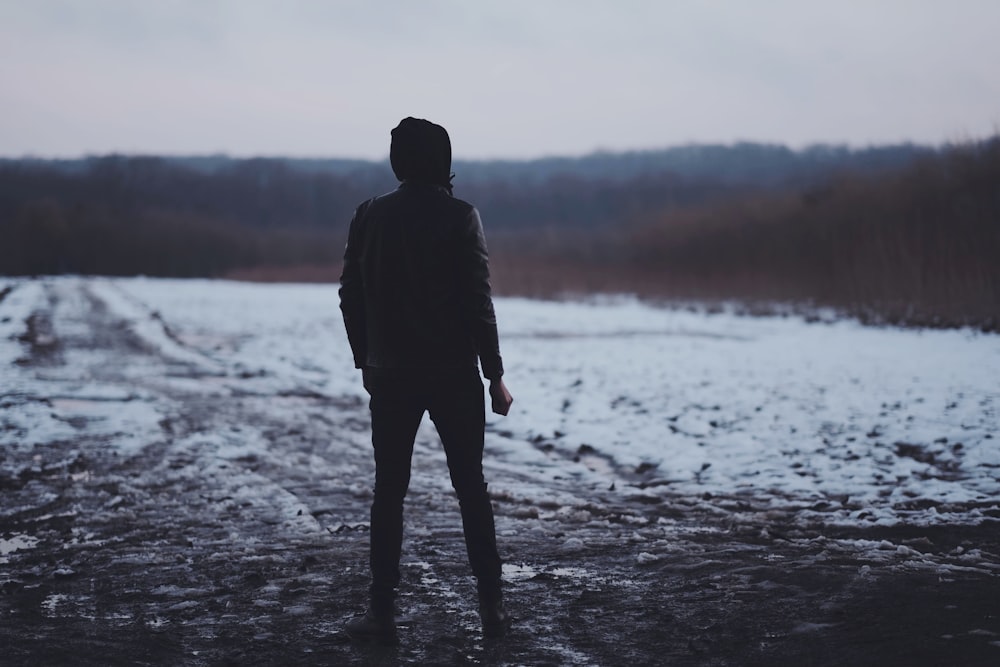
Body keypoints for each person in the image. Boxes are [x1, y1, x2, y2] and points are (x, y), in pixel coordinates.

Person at [339, 117, 514, 644]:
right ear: (442, 158)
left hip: (389, 374)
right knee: (471, 489)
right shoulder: (461, 216)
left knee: (389, 490)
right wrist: (495, 376)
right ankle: (492, 608)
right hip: (454, 374)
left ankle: (382, 613)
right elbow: (477, 302)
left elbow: (350, 294)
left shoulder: (369, 215)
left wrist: (366, 360)